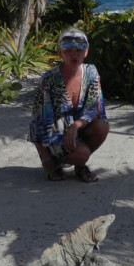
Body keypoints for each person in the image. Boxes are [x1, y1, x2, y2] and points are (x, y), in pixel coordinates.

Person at [28, 27, 109, 182]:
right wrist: (46, 159)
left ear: (86, 51)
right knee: (82, 154)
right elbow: (38, 121)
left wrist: (76, 126)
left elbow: (95, 108)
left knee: (102, 126)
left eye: (79, 50)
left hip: (79, 128)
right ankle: (58, 162)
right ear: (60, 52)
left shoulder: (91, 72)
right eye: (68, 50)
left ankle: (80, 167)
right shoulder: (49, 80)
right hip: (55, 134)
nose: (74, 54)